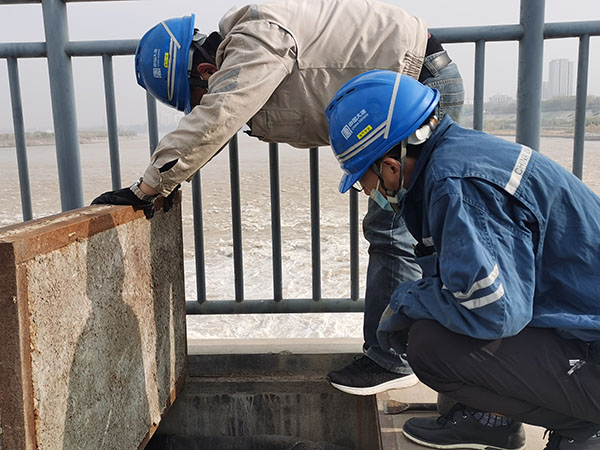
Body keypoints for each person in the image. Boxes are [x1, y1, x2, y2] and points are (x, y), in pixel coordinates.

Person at [91, 0, 464, 396]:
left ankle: (396, 359)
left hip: (417, 91)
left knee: (394, 231)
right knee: (419, 230)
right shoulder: (251, 40)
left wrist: (147, 187)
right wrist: (167, 179)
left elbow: (220, 114)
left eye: (198, 97)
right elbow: (219, 119)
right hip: (407, 93)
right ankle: (440, 360)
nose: (202, 104)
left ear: (206, 72)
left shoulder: (255, 39)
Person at [326, 69, 600, 450]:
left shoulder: (453, 186)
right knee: (431, 326)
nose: (367, 190)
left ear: (389, 166)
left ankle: (586, 428)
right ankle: (494, 419)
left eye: (363, 181)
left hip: (590, 349)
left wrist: (404, 301)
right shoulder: (456, 157)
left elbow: (497, 313)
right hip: (579, 332)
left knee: (428, 346)